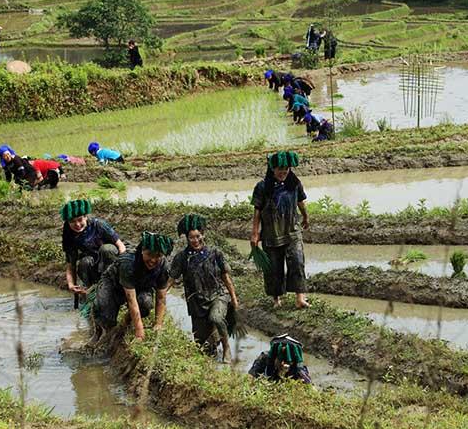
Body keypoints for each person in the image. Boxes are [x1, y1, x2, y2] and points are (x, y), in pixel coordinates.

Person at [163, 214, 240, 363]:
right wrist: (162, 295)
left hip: (217, 295)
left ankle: (226, 348)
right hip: (196, 302)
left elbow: (226, 278)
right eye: (191, 237)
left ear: (203, 234)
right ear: (187, 238)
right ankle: (213, 338)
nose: (196, 240)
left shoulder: (215, 253)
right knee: (202, 347)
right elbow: (171, 279)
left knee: (216, 317)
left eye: (198, 236)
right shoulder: (182, 257)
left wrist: (234, 298)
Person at [251, 151, 310, 309]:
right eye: (279, 169)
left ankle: (300, 298)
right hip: (271, 233)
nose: (283, 172)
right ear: (272, 169)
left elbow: (300, 201)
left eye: (286, 168)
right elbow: (257, 211)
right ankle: (276, 300)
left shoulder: (294, 182)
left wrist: (305, 217)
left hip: (292, 231)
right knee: (274, 268)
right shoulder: (262, 187)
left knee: (297, 262)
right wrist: (255, 233)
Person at [91, 231, 173, 343]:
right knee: (105, 313)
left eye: (157, 256)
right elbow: (131, 299)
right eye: (149, 254)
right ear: (142, 251)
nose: (153, 260)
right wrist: (139, 331)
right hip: (113, 284)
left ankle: (126, 322)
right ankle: (99, 331)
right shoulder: (128, 263)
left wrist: (158, 324)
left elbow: (161, 298)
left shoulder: (163, 266)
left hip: (141, 286)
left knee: (145, 303)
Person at [61, 199, 127, 297]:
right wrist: (71, 285)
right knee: (84, 262)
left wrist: (124, 270)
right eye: (72, 222)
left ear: (86, 217)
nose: (77, 225)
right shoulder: (68, 234)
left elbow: (121, 246)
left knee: (107, 249)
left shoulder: (99, 225)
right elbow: (71, 265)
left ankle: (114, 285)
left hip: (112, 260)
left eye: (80, 219)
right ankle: (91, 290)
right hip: (94, 263)